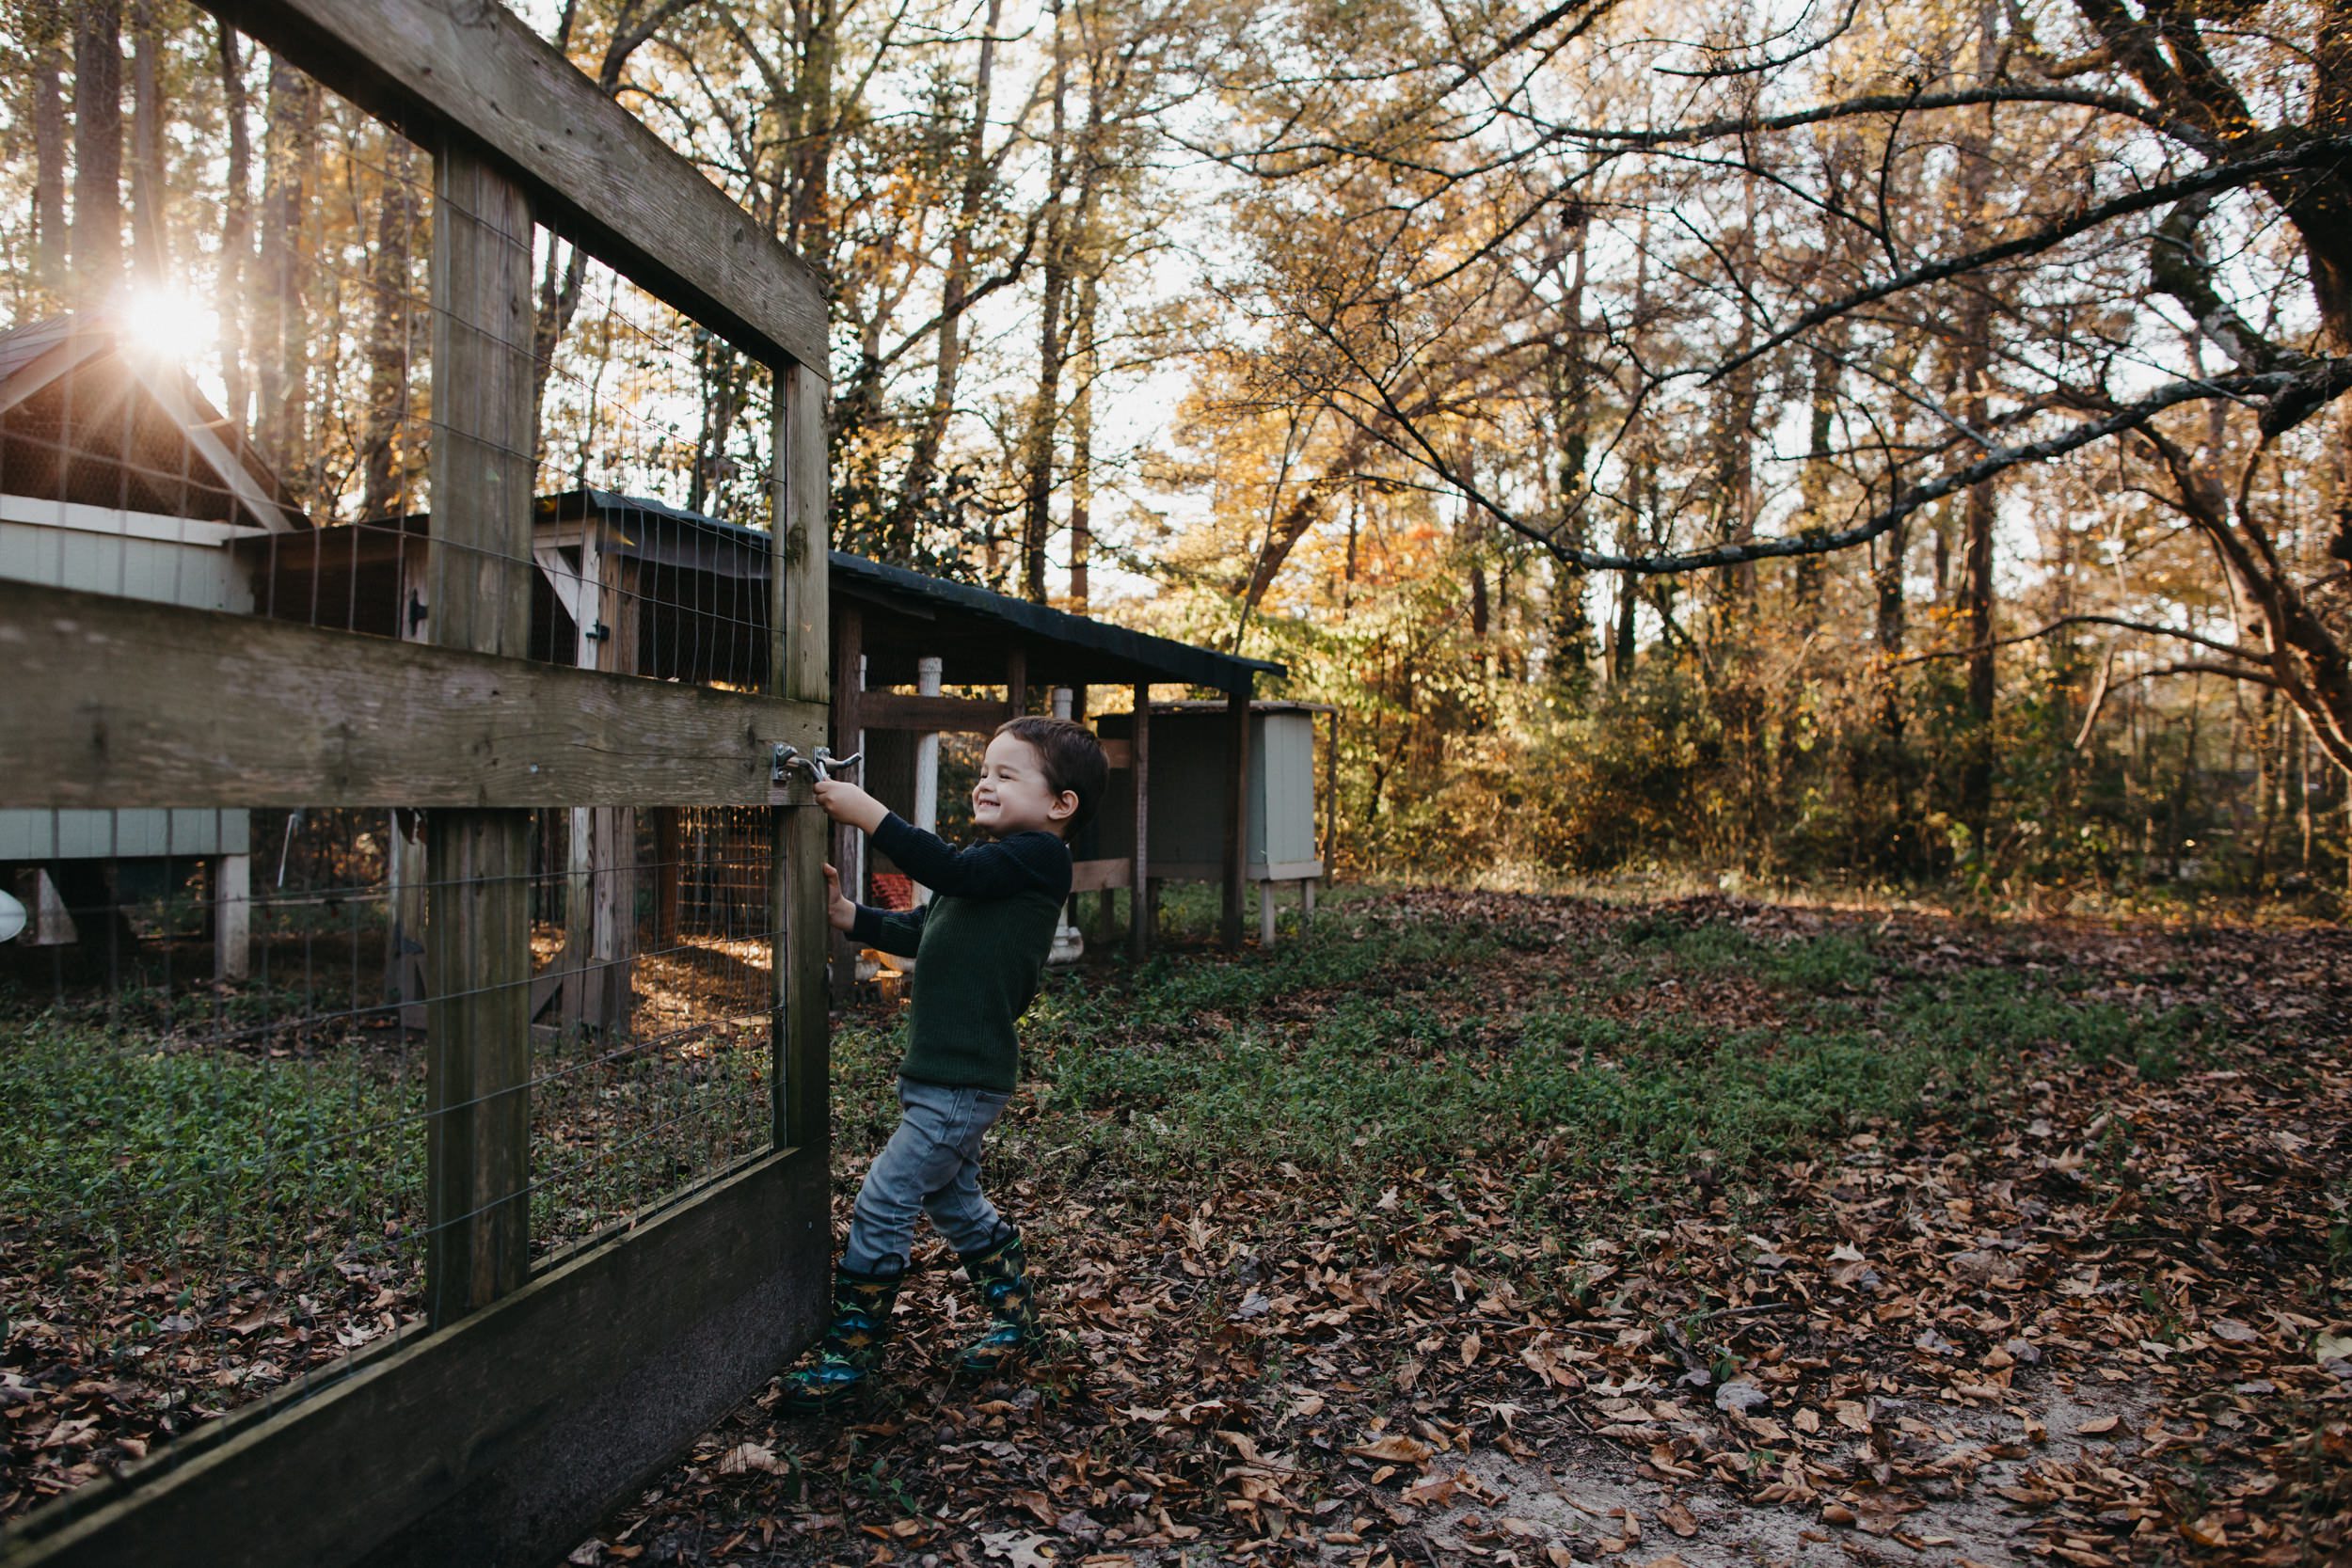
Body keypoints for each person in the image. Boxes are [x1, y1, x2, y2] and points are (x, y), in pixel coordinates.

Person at [781, 714, 1108, 1410]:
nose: (984, 783)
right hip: (941, 1075)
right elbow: (923, 929)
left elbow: (943, 869)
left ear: (1061, 804)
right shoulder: (989, 869)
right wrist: (852, 917)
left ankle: (851, 1357)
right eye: (983, 771)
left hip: (964, 1079)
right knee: (952, 1200)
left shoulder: (1039, 858)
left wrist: (869, 812)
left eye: (1005, 773)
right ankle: (1016, 1318)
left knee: (885, 1197)